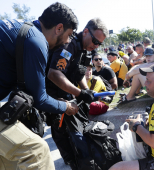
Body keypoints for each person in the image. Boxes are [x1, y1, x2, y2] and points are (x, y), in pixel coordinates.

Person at [0, 2, 79, 170]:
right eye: (69, 34)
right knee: (37, 151)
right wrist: (66, 106)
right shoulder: (37, 41)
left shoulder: (24, 27)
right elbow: (39, 99)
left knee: (9, 161)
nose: (68, 41)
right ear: (58, 28)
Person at [46, 17, 108, 169]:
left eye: (99, 44)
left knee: (81, 135)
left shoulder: (86, 50)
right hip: (55, 98)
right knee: (65, 138)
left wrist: (86, 90)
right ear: (85, 31)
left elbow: (79, 73)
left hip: (70, 96)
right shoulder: (69, 45)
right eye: (95, 41)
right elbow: (53, 74)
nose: (96, 46)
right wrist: (80, 93)